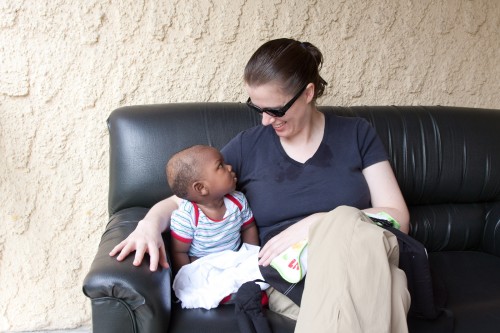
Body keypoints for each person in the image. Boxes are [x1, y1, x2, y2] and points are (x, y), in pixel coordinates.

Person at [110, 38, 411, 333]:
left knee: (346, 222)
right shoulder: (247, 147)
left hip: (365, 251)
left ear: (307, 93)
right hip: (295, 275)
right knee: (393, 290)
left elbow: (399, 216)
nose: (266, 121)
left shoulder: (357, 134)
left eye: (276, 110)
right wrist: (148, 224)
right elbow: (185, 200)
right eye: (258, 109)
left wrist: (319, 223)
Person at [165, 144, 258, 273]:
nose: (229, 167)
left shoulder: (238, 200)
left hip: (235, 262)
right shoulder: (186, 216)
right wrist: (188, 277)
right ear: (201, 188)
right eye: (220, 166)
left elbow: (248, 227)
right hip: (204, 270)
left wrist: (251, 257)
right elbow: (179, 252)